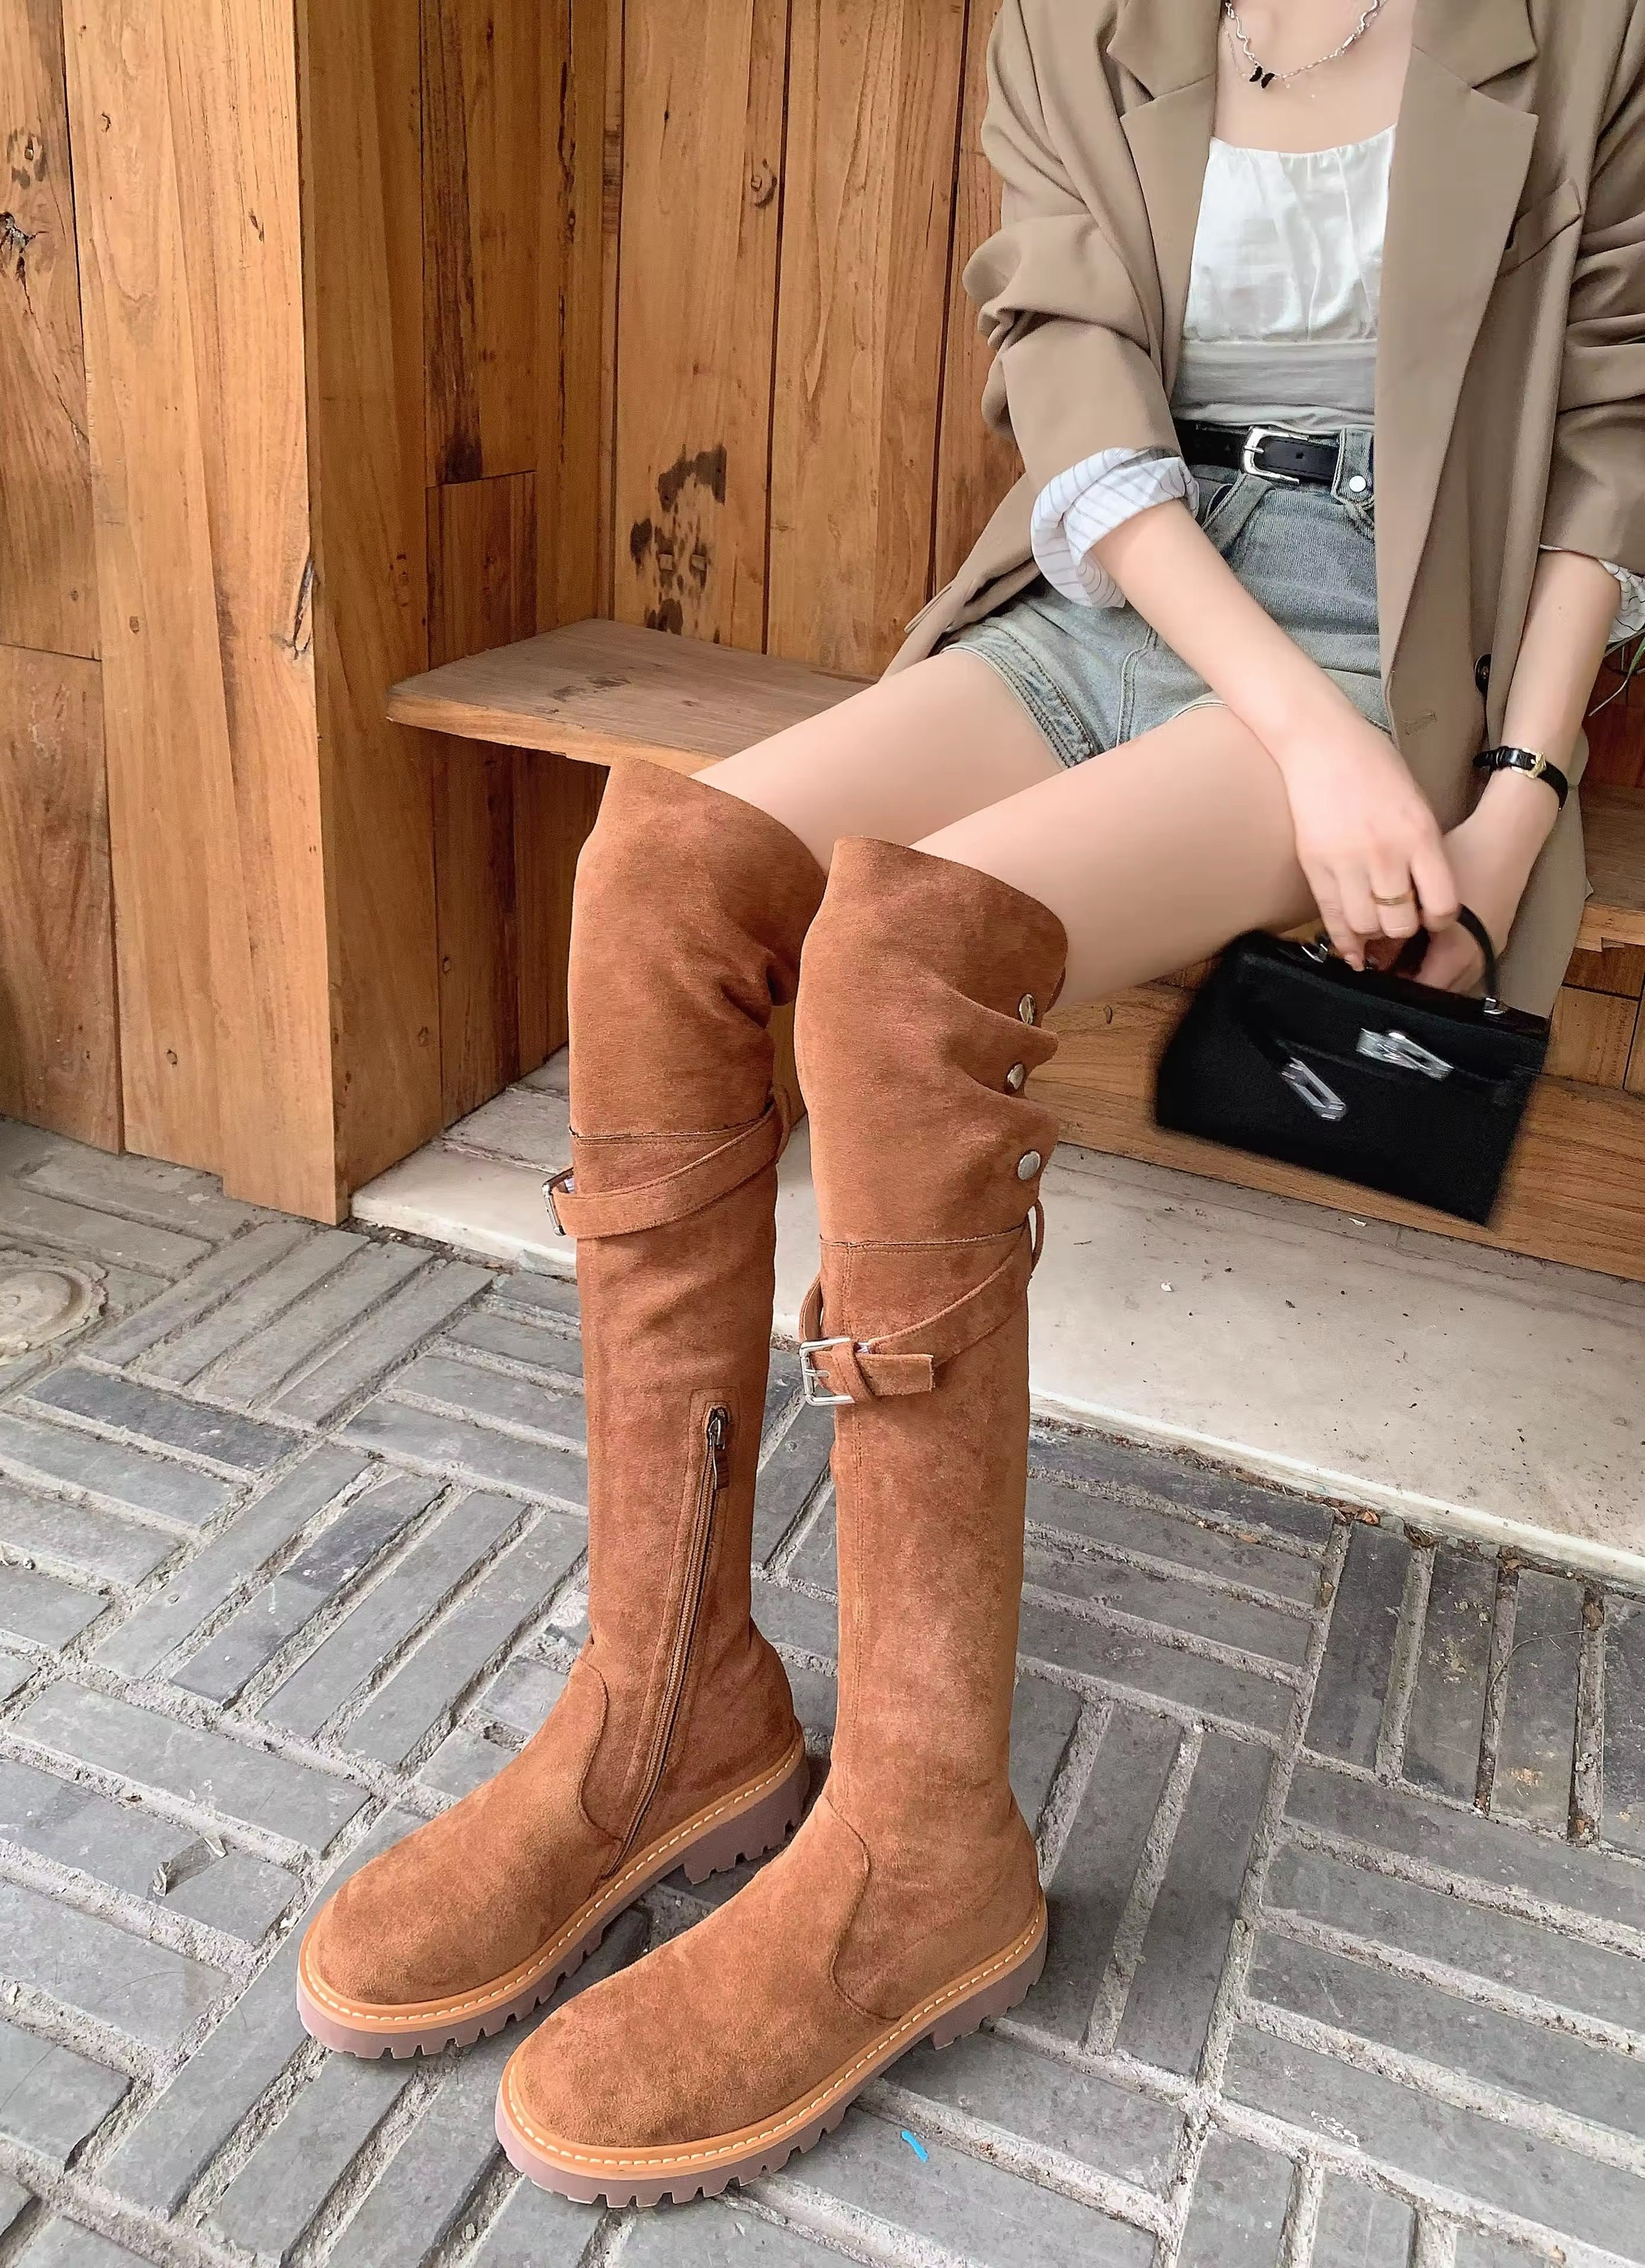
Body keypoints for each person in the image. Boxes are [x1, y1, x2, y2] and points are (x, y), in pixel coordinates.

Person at [294, 0, 1645, 2204]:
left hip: (1404, 658)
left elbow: (1613, 421)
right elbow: (1074, 379)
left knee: (905, 968)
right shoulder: (1089, 19)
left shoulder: (1579, 29)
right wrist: (1284, 728)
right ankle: (668, 1703)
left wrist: (1508, 795)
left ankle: (927, 1839)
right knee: (662, 881)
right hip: (1133, 598)